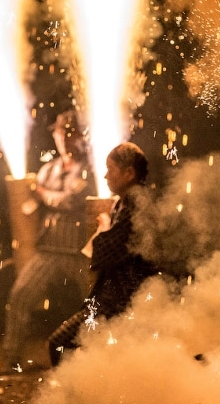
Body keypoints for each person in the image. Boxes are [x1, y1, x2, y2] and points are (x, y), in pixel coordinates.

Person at [0, 110, 95, 368]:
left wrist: (40, 193)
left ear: (80, 135)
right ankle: (12, 358)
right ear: (55, 135)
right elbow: (31, 206)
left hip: (80, 252)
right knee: (21, 295)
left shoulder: (88, 169)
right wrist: (24, 197)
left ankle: (103, 355)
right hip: (49, 250)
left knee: (97, 303)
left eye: (70, 133)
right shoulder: (47, 170)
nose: (65, 138)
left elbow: (71, 201)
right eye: (60, 133)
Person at [47, 142, 157, 366]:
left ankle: (70, 397)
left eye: (111, 169)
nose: (106, 175)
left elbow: (106, 252)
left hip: (122, 299)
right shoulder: (124, 202)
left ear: (129, 173)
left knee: (59, 342)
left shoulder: (136, 204)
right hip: (117, 297)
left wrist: (104, 227)